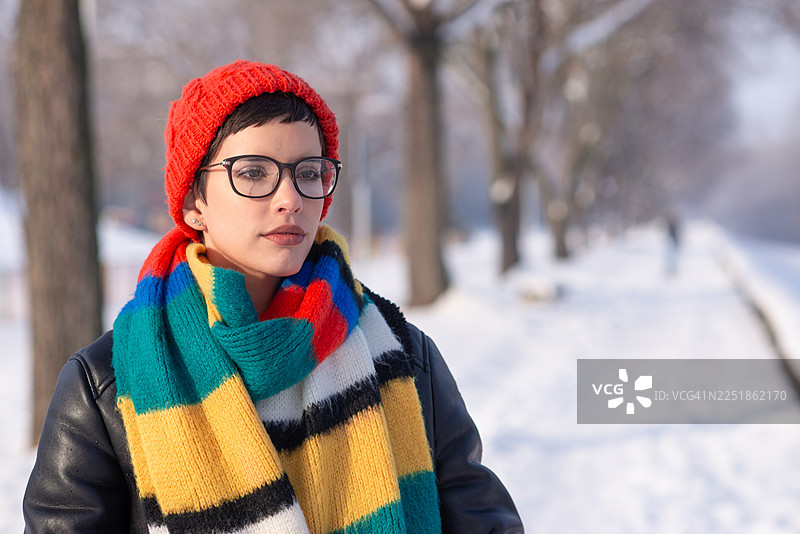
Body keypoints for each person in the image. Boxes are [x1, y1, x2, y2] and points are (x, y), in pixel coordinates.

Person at [22, 60, 523, 533]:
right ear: (194, 202)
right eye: (254, 172)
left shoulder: (405, 358)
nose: (291, 198)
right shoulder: (105, 387)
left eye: (308, 173)